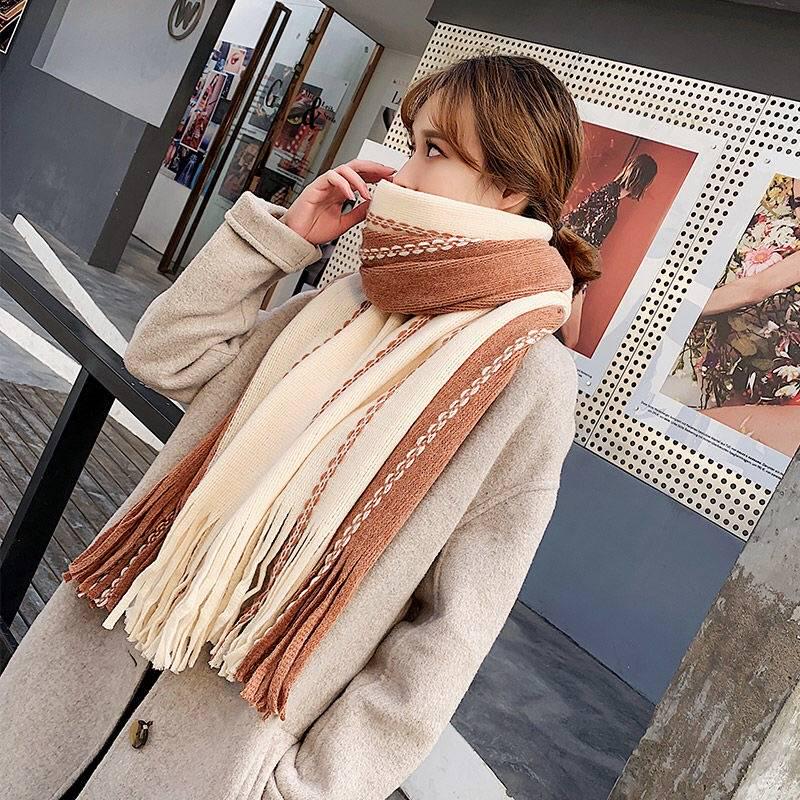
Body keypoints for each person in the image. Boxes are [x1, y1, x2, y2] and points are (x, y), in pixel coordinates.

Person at [0, 53, 598, 800]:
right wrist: (284, 237)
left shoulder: (529, 376)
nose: (404, 174)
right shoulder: (350, 299)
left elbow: (450, 632)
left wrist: (310, 788)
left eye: (435, 151)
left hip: (221, 744)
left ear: (511, 187)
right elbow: (165, 357)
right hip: (114, 638)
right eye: (411, 142)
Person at [674, 173, 800, 456]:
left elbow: (755, 288)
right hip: (756, 378)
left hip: (786, 395)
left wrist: (673, 308)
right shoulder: (774, 218)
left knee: (685, 433)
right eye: (797, 202)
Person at [557, 153, 656, 349]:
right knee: (571, 339)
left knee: (565, 334)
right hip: (574, 267)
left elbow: (576, 220)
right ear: (643, 179)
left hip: (575, 266)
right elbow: (582, 233)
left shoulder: (611, 195)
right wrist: (581, 278)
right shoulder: (609, 196)